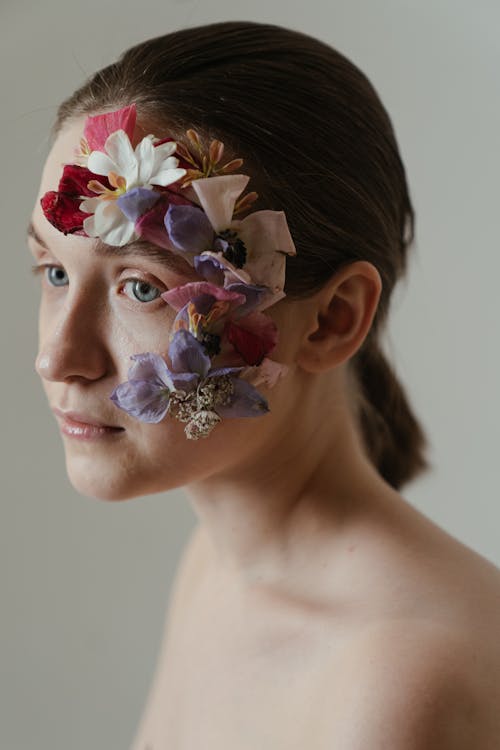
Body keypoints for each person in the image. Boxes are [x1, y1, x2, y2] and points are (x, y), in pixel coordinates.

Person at [28, 19, 500, 749]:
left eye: (144, 289)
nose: (58, 359)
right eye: (54, 272)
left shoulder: (402, 680)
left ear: (330, 321)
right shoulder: (218, 566)